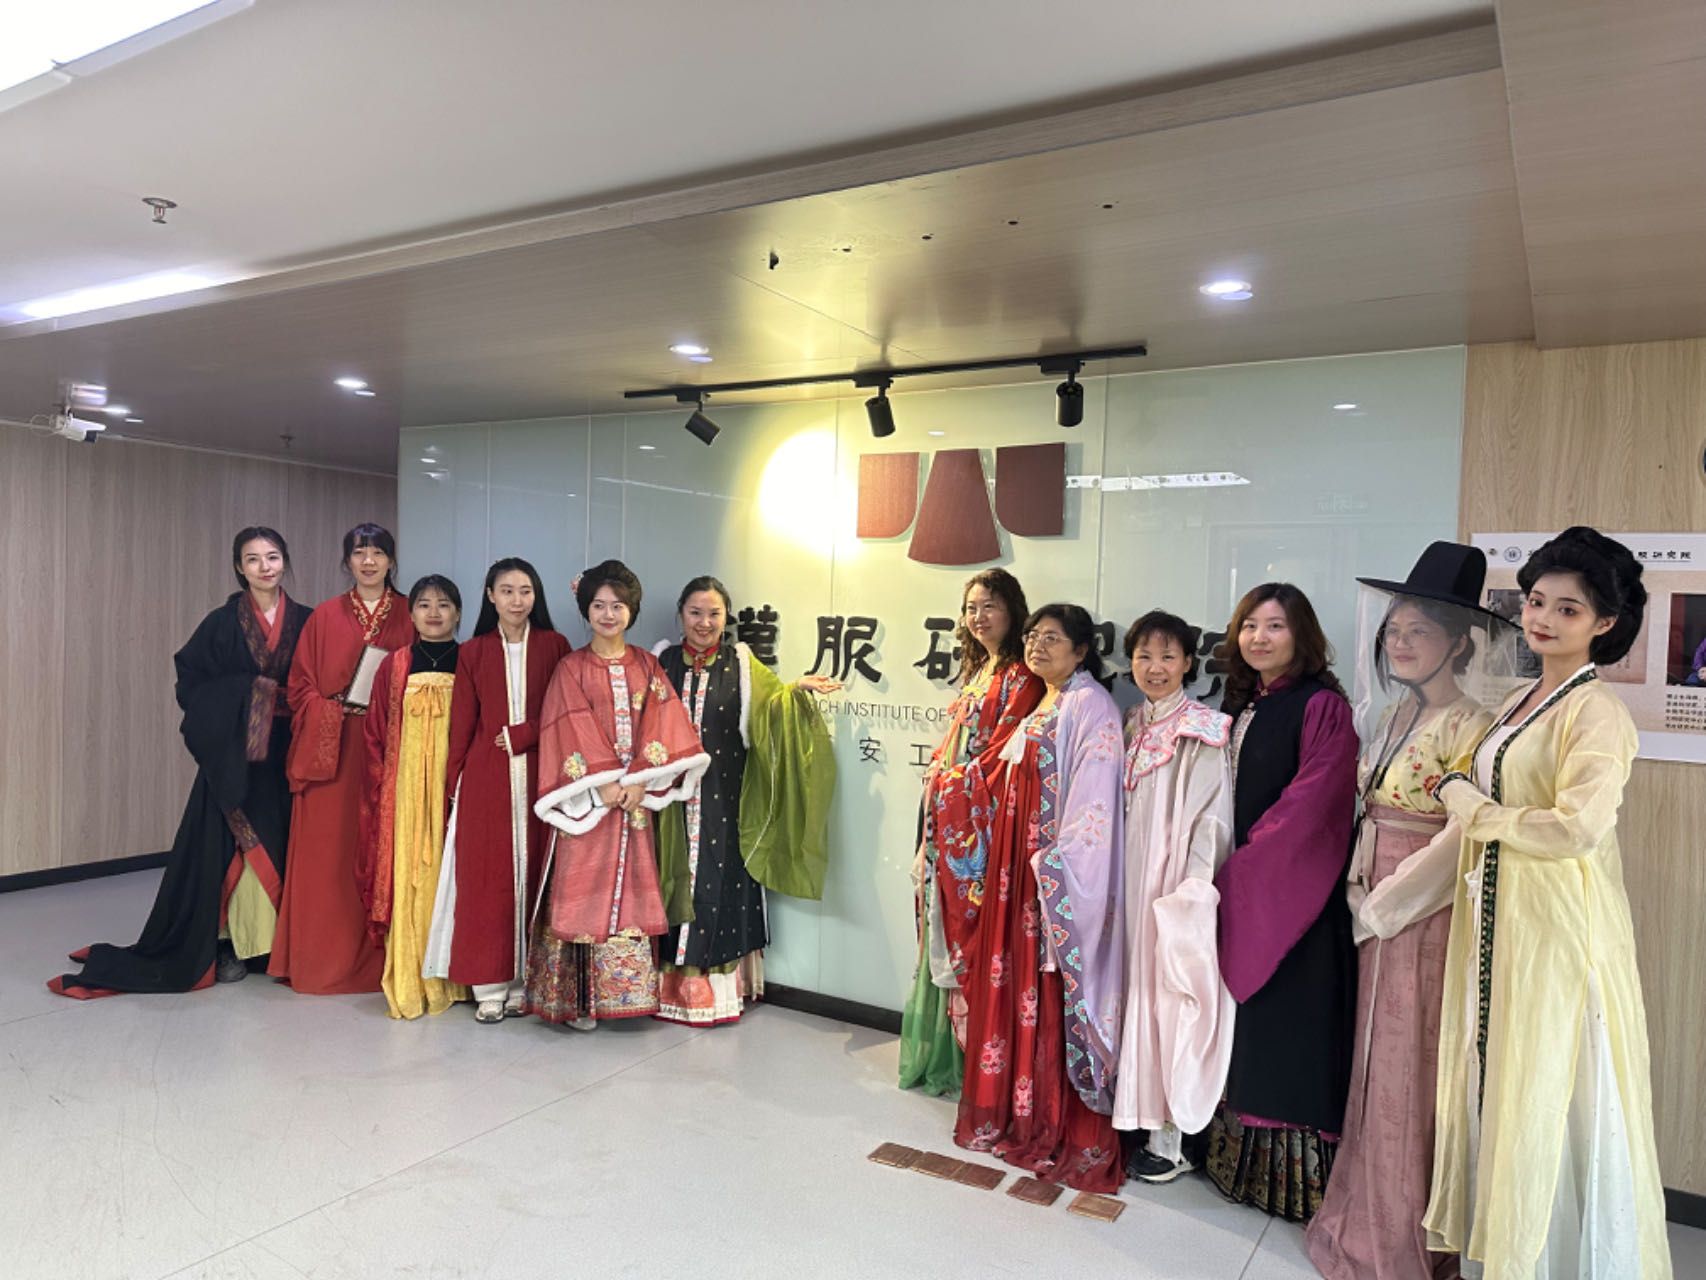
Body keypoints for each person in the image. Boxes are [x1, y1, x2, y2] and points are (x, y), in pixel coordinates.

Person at [1423, 528, 1672, 1278]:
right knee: (1504, 1077)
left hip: (1558, 925)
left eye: (1569, 609)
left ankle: (1553, 1259)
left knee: (1551, 1085)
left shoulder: (1597, 712)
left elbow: (1578, 827)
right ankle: (1508, 1250)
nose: (1543, 619)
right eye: (1536, 601)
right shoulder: (1523, 698)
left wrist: (1470, 806)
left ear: (1604, 623)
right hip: (1503, 917)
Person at [1307, 544, 1522, 1279]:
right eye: (1394, 630)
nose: (1399, 643)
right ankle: (1363, 1213)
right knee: (1376, 1059)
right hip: (1374, 895)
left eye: (1418, 632)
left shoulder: (1473, 725)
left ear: (1459, 644)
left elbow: (1463, 835)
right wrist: (1359, 891)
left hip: (1422, 909)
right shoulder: (1398, 713)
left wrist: (1387, 905)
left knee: (1410, 1065)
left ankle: (1404, 1237)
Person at [51, 529, 310, 996]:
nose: (264, 567)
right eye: (253, 559)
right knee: (230, 849)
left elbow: (320, 680)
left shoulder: (308, 620)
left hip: (287, 754)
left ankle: (274, 945)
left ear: (285, 562)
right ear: (239, 567)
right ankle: (227, 943)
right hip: (233, 755)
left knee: (283, 843)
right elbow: (191, 683)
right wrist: (250, 694)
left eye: (272, 557)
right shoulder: (220, 624)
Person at [951, 603, 1124, 1192]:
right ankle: (1014, 1114)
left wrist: (1054, 870)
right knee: (1016, 983)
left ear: (1082, 650)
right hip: (1016, 872)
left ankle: (1054, 1122)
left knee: (1045, 992)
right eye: (1033, 636)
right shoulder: (1042, 701)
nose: (1038, 646)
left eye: (1053, 638)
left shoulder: (1091, 705)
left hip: (1048, 877)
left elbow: (1095, 804)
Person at [1202, 583, 1358, 1223]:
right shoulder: (1246, 706)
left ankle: (1293, 1186)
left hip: (1296, 899)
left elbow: (1313, 807)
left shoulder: (1323, 707)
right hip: (1246, 889)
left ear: (1302, 635)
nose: (1259, 637)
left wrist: (1246, 870)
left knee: (1291, 1031)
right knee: (1251, 1031)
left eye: (1275, 626)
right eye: (1249, 625)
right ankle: (1234, 1165)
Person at [652, 576, 839, 1026]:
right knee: (667, 881)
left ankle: (715, 993)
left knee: (719, 885)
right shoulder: (662, 661)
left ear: (726, 618)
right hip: (669, 800)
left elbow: (770, 707)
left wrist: (795, 693)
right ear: (680, 614)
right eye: (695, 612)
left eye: (714, 614)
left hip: (726, 797)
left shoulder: (740, 662)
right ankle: (662, 988)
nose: (704, 622)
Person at [530, 561, 709, 1026]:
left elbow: (664, 723)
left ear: (632, 611)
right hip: (591, 803)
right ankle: (578, 1002)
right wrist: (602, 783)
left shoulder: (647, 665)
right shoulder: (571, 668)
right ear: (586, 610)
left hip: (633, 803)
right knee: (580, 890)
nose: (608, 615)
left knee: (632, 890)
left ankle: (625, 998)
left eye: (618, 606)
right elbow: (567, 726)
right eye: (599, 606)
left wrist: (640, 782)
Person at [901, 568, 1042, 1095]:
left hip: (979, 827)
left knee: (974, 938)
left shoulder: (1022, 677)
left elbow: (1001, 757)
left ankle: (975, 1060)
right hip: (951, 815)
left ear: (1013, 610)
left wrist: (950, 782)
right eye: (971, 608)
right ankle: (948, 1051)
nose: (979, 617)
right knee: (940, 925)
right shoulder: (983, 669)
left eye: (990, 606)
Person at [1113, 610, 1235, 1184]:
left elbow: (1211, 819)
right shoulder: (1131, 724)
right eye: (1144, 655)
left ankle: (1170, 1136)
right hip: (1127, 883)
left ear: (1189, 661)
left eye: (1167, 656)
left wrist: (1193, 889)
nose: (1155, 667)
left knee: (1169, 997)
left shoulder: (1204, 728)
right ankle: (1133, 1113)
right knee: (1133, 991)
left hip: (1170, 886)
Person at [269, 523, 415, 994]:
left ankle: (388, 963)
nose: (368, 562)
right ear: (347, 561)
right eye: (359, 553)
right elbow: (299, 688)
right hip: (331, 751)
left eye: (378, 553)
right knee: (327, 853)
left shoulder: (412, 612)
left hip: (390, 747)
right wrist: (333, 712)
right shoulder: (324, 616)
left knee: (384, 847)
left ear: (391, 560)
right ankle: (320, 960)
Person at [424, 559, 570, 1025]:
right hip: (486, 778)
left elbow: (566, 712)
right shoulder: (474, 651)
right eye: (506, 591)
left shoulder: (555, 646)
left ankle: (527, 983)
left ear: (536, 595)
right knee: (486, 882)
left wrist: (525, 734)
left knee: (537, 876)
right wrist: (454, 786)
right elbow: (462, 725)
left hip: (542, 775)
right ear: (490, 596)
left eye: (525, 590)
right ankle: (489, 987)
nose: (516, 600)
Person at [358, 575, 470, 1020]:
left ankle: (455, 977)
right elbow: (375, 732)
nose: (434, 613)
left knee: (451, 874)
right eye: (424, 604)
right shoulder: (395, 664)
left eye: (444, 604)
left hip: (455, 787)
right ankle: (409, 977)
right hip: (404, 793)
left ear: (458, 612)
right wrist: (384, 787)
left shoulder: (470, 660)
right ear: (412, 614)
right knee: (408, 877)